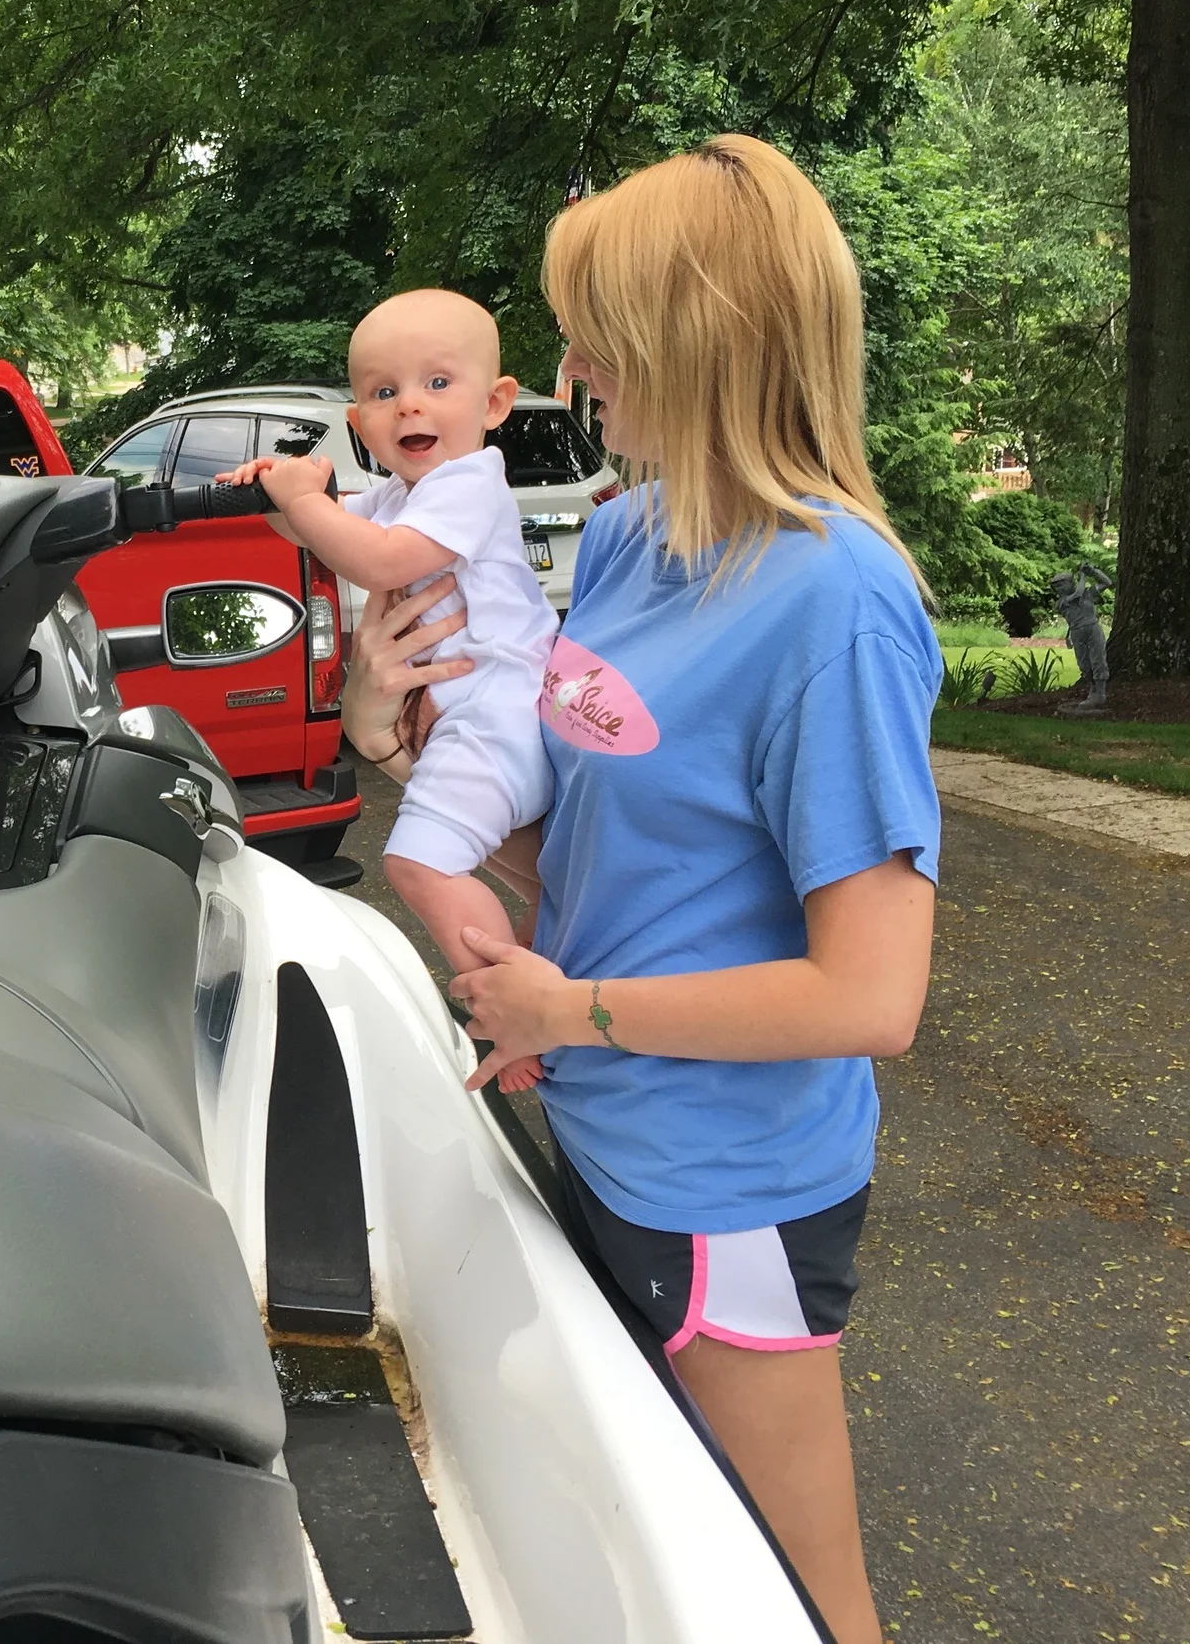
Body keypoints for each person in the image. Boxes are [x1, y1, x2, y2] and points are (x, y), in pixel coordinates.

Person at [342, 136, 939, 1644]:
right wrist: (404, 752)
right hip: (604, 1129)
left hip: (726, 1182)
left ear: (700, 338)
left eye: (597, 332)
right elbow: (599, 849)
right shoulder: (624, 535)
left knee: (788, 1595)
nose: (573, 368)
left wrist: (577, 1009)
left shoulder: (836, 601)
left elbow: (871, 995)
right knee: (660, 1554)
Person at [223, 289, 560, 1086]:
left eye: (437, 382)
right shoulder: (407, 494)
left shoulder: (469, 482)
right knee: (530, 879)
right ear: (360, 423)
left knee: (416, 863)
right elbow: (323, 527)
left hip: (497, 719)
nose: (409, 402)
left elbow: (375, 559)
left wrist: (303, 500)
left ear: (495, 403)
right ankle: (535, 957)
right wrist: (277, 493)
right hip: (469, 720)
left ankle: (514, 1012)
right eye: (384, 391)